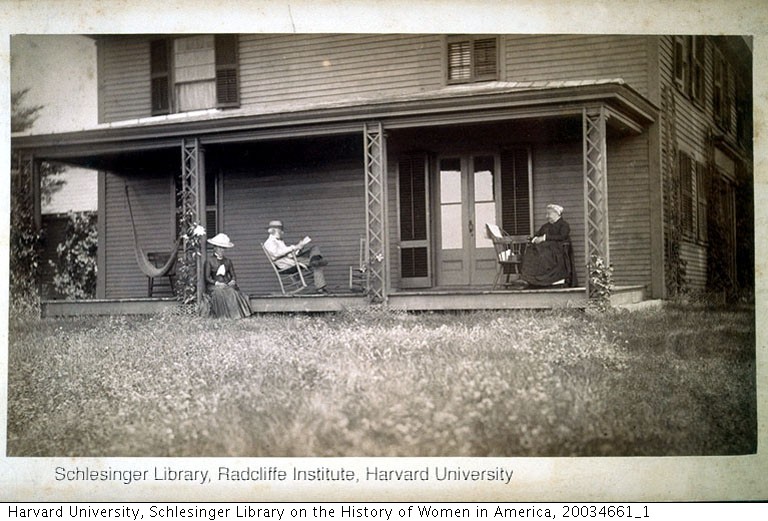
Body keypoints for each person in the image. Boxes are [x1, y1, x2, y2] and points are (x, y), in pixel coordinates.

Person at [263, 220, 329, 293]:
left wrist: (299, 248)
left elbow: (289, 254)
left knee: (315, 248)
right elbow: (276, 254)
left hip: (292, 259)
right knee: (317, 264)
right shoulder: (269, 242)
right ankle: (316, 265)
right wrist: (294, 247)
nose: (282, 231)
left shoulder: (279, 241)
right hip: (287, 264)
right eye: (281, 229)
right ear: (275, 230)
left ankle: (314, 261)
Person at [520, 204, 575, 287]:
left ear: (556, 214)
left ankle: (544, 279)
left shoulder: (564, 225)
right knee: (531, 250)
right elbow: (537, 235)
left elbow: (563, 236)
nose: (547, 216)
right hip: (545, 249)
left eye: (549, 214)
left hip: (558, 249)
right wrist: (535, 239)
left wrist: (544, 238)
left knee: (543, 255)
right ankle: (529, 279)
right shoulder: (545, 226)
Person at [203, 233, 252, 318]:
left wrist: (232, 281)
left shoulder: (228, 261)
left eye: (223, 248)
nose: (221, 250)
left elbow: (233, 275)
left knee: (232, 292)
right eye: (219, 248)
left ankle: (235, 315)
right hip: (214, 286)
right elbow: (207, 278)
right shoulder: (209, 261)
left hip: (225, 284)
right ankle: (223, 315)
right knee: (219, 292)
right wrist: (217, 283)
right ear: (215, 248)